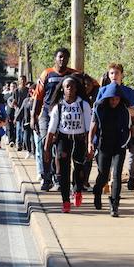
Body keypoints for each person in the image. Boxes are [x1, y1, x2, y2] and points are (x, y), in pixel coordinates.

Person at [31, 47, 78, 190]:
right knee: (46, 142)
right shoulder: (47, 73)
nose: (62, 60)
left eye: (65, 57)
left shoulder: (73, 74)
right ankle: (46, 178)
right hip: (46, 113)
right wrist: (33, 116)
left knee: (62, 148)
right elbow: (38, 97)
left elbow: (92, 85)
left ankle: (59, 178)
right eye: (60, 57)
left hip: (65, 114)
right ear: (55, 58)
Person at [44, 76, 92, 213]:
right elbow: (51, 130)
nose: (70, 89)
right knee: (63, 171)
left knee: (79, 168)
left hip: (79, 140)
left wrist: (90, 145)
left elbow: (89, 128)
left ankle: (77, 190)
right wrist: (46, 149)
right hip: (63, 140)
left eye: (72, 86)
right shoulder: (58, 107)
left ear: (77, 88)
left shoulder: (84, 105)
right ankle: (65, 200)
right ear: (62, 89)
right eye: (67, 87)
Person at [88, 83, 134, 217]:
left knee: (117, 175)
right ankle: (97, 192)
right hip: (104, 145)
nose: (114, 101)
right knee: (103, 175)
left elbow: (129, 127)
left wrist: (129, 140)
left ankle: (114, 205)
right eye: (112, 99)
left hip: (119, 145)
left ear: (120, 99)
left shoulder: (124, 110)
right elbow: (93, 128)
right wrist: (90, 143)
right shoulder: (100, 109)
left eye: (117, 99)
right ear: (107, 98)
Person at [12, 76, 29, 151]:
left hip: (26, 112)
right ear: (19, 81)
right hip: (18, 111)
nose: (23, 81)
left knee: (24, 129)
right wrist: (15, 107)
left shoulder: (28, 90)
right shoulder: (16, 91)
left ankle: (24, 144)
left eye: (24, 80)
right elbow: (14, 101)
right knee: (18, 128)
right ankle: (18, 144)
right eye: (21, 80)